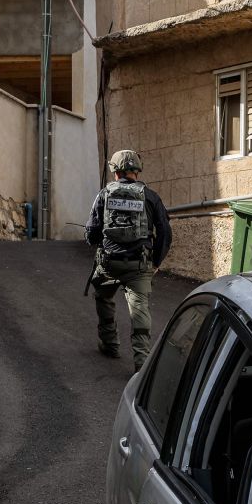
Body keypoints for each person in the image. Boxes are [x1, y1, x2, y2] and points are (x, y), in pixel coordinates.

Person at [85, 149, 171, 371]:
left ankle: (110, 344)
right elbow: (164, 233)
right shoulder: (151, 197)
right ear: (137, 171)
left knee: (103, 297)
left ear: (115, 171)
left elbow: (93, 232)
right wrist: (156, 262)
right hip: (139, 265)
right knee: (140, 311)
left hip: (109, 264)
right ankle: (141, 364)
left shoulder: (104, 194)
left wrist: (95, 239)